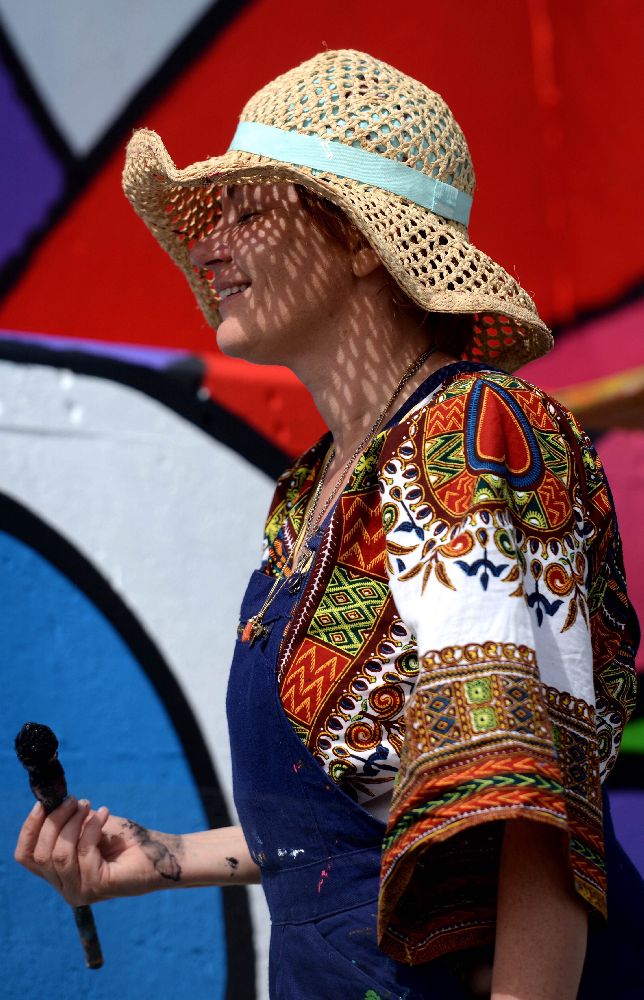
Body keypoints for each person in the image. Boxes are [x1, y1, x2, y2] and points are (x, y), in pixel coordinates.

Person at [15, 49, 642, 1000]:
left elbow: (535, 817)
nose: (208, 247)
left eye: (247, 212)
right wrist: (163, 855)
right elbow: (358, 827)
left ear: (361, 241)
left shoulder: (466, 436)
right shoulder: (311, 494)